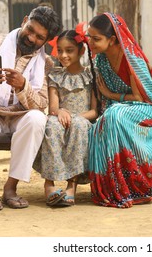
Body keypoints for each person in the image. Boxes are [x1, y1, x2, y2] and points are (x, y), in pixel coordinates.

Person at [0, 6, 62, 211]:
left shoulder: (46, 63)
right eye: (30, 30)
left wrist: (22, 86)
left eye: (39, 37)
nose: (32, 38)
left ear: (46, 41)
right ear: (24, 20)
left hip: (20, 117)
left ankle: (11, 188)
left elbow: (41, 103)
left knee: (37, 119)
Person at [86, 12, 152, 208]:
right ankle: (115, 186)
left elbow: (140, 97)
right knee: (103, 123)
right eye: (89, 37)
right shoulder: (101, 61)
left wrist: (110, 94)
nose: (90, 42)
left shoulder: (131, 59)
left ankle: (140, 186)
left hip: (150, 108)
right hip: (120, 110)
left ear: (112, 39)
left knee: (115, 114)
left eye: (96, 38)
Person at [33, 27, 98, 207]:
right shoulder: (55, 75)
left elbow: (94, 111)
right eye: (60, 50)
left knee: (78, 125)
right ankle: (49, 184)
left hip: (82, 120)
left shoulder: (91, 75)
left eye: (69, 50)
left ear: (81, 51)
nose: (63, 55)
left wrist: (75, 117)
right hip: (58, 118)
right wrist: (60, 112)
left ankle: (72, 184)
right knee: (51, 125)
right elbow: (52, 107)